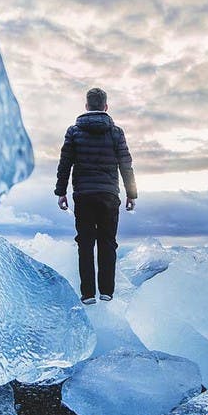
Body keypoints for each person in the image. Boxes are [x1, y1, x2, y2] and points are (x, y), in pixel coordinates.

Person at [55, 87, 138, 304]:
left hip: (83, 195)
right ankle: (107, 292)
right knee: (107, 242)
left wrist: (61, 192)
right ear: (105, 106)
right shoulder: (116, 132)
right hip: (109, 195)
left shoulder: (74, 131)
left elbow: (65, 164)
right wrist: (131, 194)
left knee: (85, 243)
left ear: (86, 106)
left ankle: (88, 294)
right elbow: (126, 165)